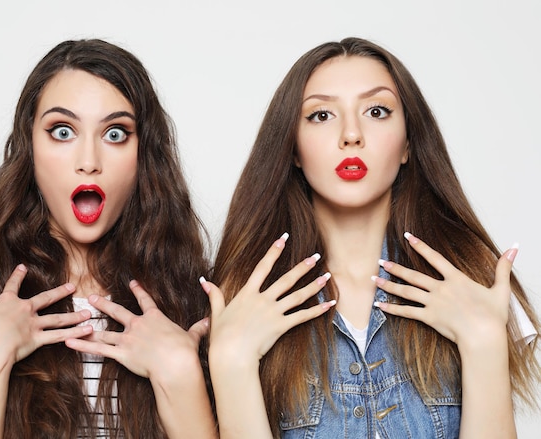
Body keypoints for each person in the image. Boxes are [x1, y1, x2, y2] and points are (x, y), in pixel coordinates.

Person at [202, 37, 540, 439]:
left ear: (408, 145)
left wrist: (484, 343)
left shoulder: (476, 286)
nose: (351, 134)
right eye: (321, 114)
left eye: (376, 111)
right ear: (292, 148)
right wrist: (230, 361)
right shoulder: (243, 301)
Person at [0, 39, 216, 439]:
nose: (88, 161)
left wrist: (181, 377)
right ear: (30, 148)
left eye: (115, 133)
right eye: (62, 131)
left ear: (144, 155)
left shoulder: (202, 305)